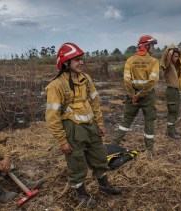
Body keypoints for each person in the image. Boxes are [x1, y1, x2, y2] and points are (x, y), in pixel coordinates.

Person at [45, 42, 121, 209]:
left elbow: (95, 102)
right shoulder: (55, 86)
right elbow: (52, 117)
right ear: (66, 63)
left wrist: (99, 123)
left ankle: (104, 186)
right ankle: (81, 195)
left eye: (81, 59)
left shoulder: (86, 79)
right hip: (73, 131)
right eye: (76, 60)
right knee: (77, 164)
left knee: (99, 157)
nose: (81, 63)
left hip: (91, 127)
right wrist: (62, 141)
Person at [111, 35, 160, 151]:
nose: (153, 47)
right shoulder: (153, 61)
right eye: (152, 45)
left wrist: (132, 94)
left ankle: (114, 144)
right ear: (146, 46)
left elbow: (126, 80)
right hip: (147, 96)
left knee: (127, 120)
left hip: (132, 97)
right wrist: (140, 94)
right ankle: (149, 150)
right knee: (149, 121)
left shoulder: (130, 60)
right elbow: (152, 81)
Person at [160, 44, 181, 139]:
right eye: (175, 56)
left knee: (175, 112)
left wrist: (178, 52)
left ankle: (172, 130)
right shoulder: (168, 65)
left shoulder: (175, 67)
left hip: (175, 91)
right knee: (172, 111)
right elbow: (167, 57)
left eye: (177, 56)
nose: (177, 58)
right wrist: (171, 51)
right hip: (171, 91)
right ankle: (170, 133)